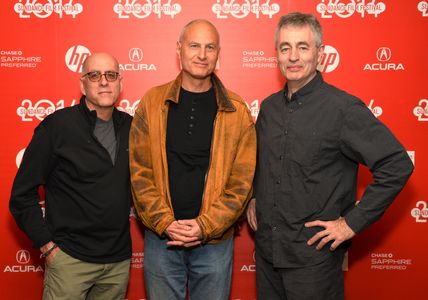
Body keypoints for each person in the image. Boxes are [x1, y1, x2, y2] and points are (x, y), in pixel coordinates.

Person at [246, 12, 414, 300]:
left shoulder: (343, 109)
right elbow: (262, 164)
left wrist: (351, 223)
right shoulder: (269, 108)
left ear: (320, 54)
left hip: (314, 263)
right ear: (277, 55)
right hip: (267, 256)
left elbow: (397, 164)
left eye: (303, 47)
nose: (293, 57)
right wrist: (253, 197)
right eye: (285, 48)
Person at [129, 19, 256, 299]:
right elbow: (139, 172)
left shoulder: (237, 110)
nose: (202, 54)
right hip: (162, 238)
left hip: (213, 242)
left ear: (218, 53)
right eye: (194, 45)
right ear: (179, 49)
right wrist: (164, 222)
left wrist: (205, 226)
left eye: (210, 47)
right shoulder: (152, 102)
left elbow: (241, 183)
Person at [10, 53, 132, 300]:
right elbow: (21, 195)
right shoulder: (57, 127)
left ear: (120, 82)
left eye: (111, 75)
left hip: (117, 263)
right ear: (82, 84)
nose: (104, 81)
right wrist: (47, 245)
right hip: (69, 260)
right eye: (94, 75)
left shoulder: (134, 127)